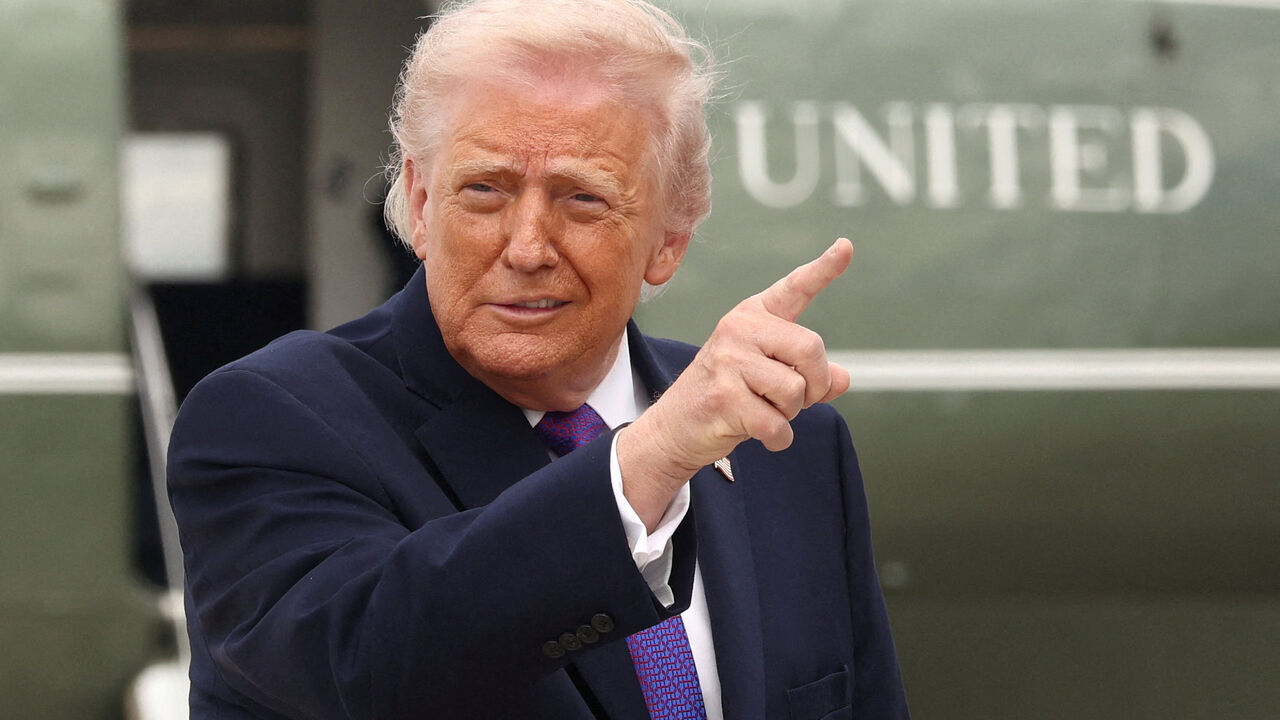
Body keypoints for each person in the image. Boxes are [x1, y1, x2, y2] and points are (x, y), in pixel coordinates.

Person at [167, 1, 910, 718]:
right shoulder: (268, 419)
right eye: (485, 190)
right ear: (420, 205)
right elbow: (375, 666)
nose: (526, 248)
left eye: (582, 199)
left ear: (670, 239)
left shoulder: (790, 445)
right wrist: (648, 462)